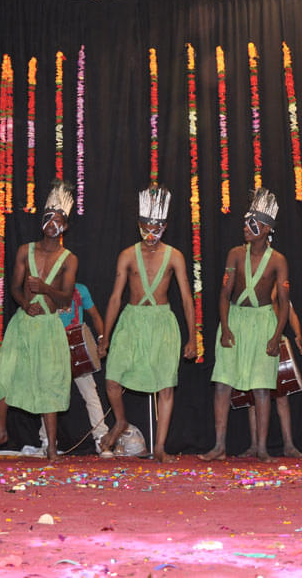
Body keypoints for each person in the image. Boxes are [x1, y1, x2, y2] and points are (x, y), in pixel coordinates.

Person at [0, 180, 79, 462]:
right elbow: (13, 288)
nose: (52, 224)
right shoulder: (25, 250)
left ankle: (50, 447)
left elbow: (66, 298)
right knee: (4, 377)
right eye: (48, 218)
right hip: (22, 324)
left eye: (58, 220)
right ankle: (0, 432)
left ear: (65, 227)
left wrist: (45, 288)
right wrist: (25, 304)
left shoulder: (69, 259)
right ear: (42, 222)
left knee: (48, 383)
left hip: (49, 327)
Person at [97, 185, 197, 463]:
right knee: (113, 378)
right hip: (131, 320)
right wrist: (105, 335)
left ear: (164, 226)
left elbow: (187, 299)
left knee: (165, 386)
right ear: (139, 224)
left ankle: (161, 446)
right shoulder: (128, 255)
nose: (151, 233)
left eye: (157, 227)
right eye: (146, 227)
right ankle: (120, 422)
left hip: (162, 322)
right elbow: (115, 298)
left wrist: (193, 337)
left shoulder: (174, 256)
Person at [200, 188, 290, 463]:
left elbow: (284, 303)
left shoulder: (278, 260)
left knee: (262, 387)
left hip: (263, 321)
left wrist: (276, 336)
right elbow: (224, 294)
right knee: (223, 384)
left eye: (251, 223)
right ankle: (219, 446)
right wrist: (225, 328)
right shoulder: (235, 255)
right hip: (236, 320)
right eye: (245, 222)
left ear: (266, 229)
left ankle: (262, 448)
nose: (245, 228)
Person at [37, 283, 108, 454]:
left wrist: (101, 339)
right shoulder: (46, 289)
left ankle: (101, 438)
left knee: (90, 393)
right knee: (48, 396)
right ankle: (47, 441)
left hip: (77, 347)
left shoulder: (81, 290)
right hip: (53, 346)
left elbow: (95, 316)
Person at [237, 288, 302, 459]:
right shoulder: (248, 284)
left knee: (282, 396)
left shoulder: (277, 285)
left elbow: (290, 311)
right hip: (252, 342)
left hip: (274, 344)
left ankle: (289, 445)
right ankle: (254, 445)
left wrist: (298, 334)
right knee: (251, 397)